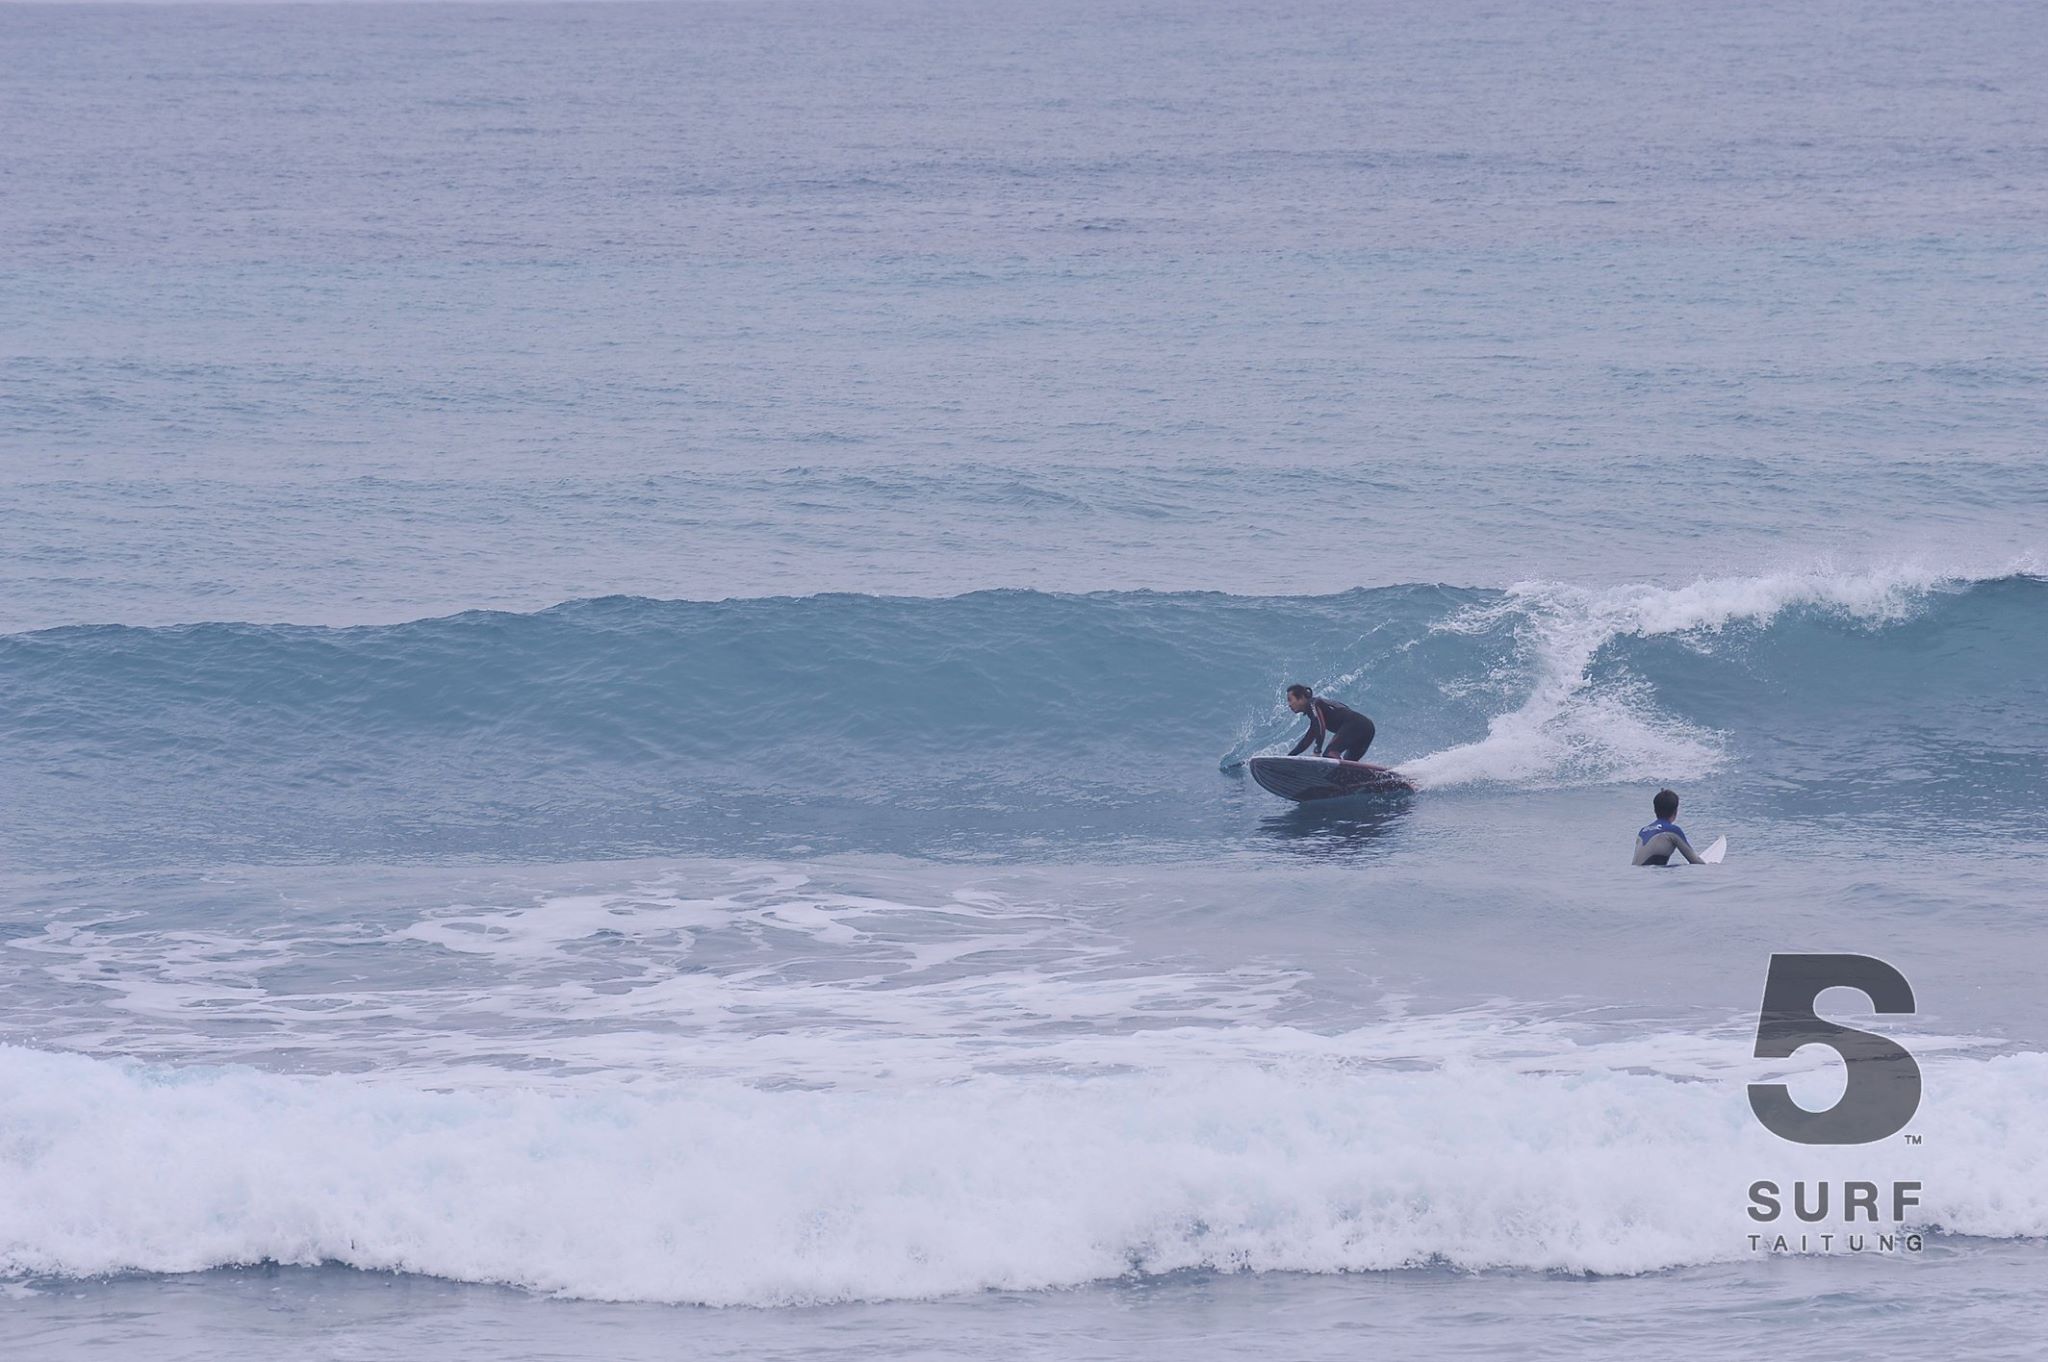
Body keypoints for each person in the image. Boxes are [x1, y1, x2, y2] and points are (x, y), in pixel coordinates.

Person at [1285, 684, 1376, 762]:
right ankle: (1372, 779)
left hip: (1356, 725)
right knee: (1347, 765)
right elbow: (1307, 740)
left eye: (1290, 699)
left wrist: (1317, 751)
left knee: (1329, 754)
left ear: (1301, 698)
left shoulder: (1313, 704)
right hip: (1367, 728)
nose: (1289, 704)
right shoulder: (1316, 713)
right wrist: (1290, 756)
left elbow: (1321, 727)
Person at [1634, 787, 1704, 865]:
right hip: (1651, 875)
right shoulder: (1673, 830)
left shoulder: (1643, 831)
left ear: (1655, 810)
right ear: (1675, 811)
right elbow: (1695, 861)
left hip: (1635, 875)